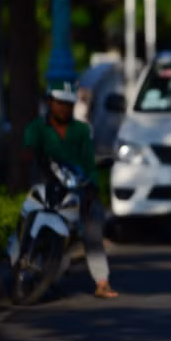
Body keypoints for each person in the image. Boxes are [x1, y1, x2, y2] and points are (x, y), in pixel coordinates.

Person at [22, 81, 118, 298]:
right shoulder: (36, 128)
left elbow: (90, 165)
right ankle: (24, 258)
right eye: (59, 103)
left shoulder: (81, 130)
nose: (63, 108)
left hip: (78, 189)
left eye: (67, 103)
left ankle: (102, 281)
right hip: (46, 189)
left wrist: (91, 190)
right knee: (28, 215)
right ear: (49, 103)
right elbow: (27, 153)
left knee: (92, 230)